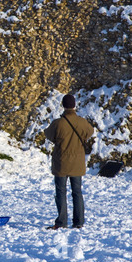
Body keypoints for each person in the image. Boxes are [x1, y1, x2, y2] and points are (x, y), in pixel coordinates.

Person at [44, 94, 94, 230]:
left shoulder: (58, 123)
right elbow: (90, 132)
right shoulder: (82, 122)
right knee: (77, 192)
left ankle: (61, 222)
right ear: (74, 105)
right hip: (77, 163)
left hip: (61, 162)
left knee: (61, 192)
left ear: (63, 105)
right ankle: (79, 222)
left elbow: (48, 134)